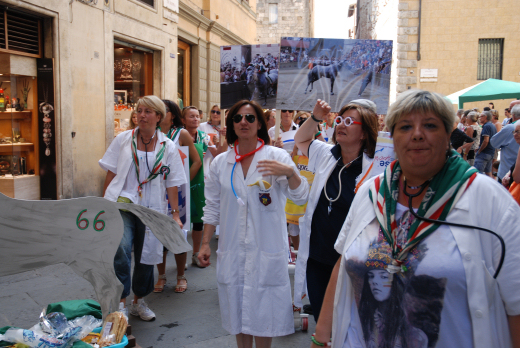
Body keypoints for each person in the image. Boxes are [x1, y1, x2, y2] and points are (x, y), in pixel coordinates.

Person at [312, 89, 520, 348]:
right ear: (392, 137)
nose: (417, 134)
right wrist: (321, 338)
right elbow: (342, 266)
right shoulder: (371, 192)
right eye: (405, 126)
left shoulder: (490, 200)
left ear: (448, 136)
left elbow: (516, 303)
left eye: (430, 125)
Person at [198, 100, 309, 348]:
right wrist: (205, 243)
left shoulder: (276, 157)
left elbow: (300, 197)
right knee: (237, 305)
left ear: (260, 123)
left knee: (264, 309)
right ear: (231, 125)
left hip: (266, 247)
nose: (243, 122)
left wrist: (290, 173)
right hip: (233, 247)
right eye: (237, 118)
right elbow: (212, 207)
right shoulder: (221, 163)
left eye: (250, 118)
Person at [99, 95, 186, 321]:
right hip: (122, 204)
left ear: (159, 116)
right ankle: (121, 303)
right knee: (121, 249)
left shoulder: (168, 146)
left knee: (148, 254)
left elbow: (172, 182)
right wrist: (103, 204)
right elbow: (111, 171)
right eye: (139, 111)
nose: (142, 115)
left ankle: (139, 301)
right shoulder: (123, 140)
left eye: (148, 112)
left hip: (152, 208)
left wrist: (175, 214)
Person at [293, 99, 379, 322]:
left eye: (350, 121)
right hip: (317, 258)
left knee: (351, 323)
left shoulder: (375, 167)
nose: (341, 124)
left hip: (352, 262)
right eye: (340, 119)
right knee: (323, 320)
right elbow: (301, 138)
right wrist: (316, 117)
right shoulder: (325, 154)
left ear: (364, 132)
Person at [153, 99, 202, 294]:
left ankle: (181, 275)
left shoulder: (180, 134)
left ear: (172, 114)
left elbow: (196, 161)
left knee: (177, 234)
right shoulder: (151, 134)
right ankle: (162, 275)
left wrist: (183, 183)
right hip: (156, 192)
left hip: (177, 194)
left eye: (162, 110)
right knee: (157, 235)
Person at [182, 106, 217, 267]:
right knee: (180, 220)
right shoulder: (176, 136)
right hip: (180, 181)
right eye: (191, 116)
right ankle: (178, 254)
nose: (195, 119)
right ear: (183, 119)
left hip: (199, 183)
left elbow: (218, 154)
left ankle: (196, 253)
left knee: (198, 221)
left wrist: (221, 141)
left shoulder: (204, 137)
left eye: (197, 116)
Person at [491, 105, 520, 182]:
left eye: (517, 132)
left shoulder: (510, 127)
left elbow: (494, 142)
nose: (515, 135)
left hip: (507, 173)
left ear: (513, 115)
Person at [474, 110, 497, 177]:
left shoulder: (486, 126)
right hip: (490, 152)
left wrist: (480, 150)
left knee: (478, 174)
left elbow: (486, 140)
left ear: (485, 117)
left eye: (481, 116)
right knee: (488, 172)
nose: (479, 118)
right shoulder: (492, 125)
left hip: (484, 153)